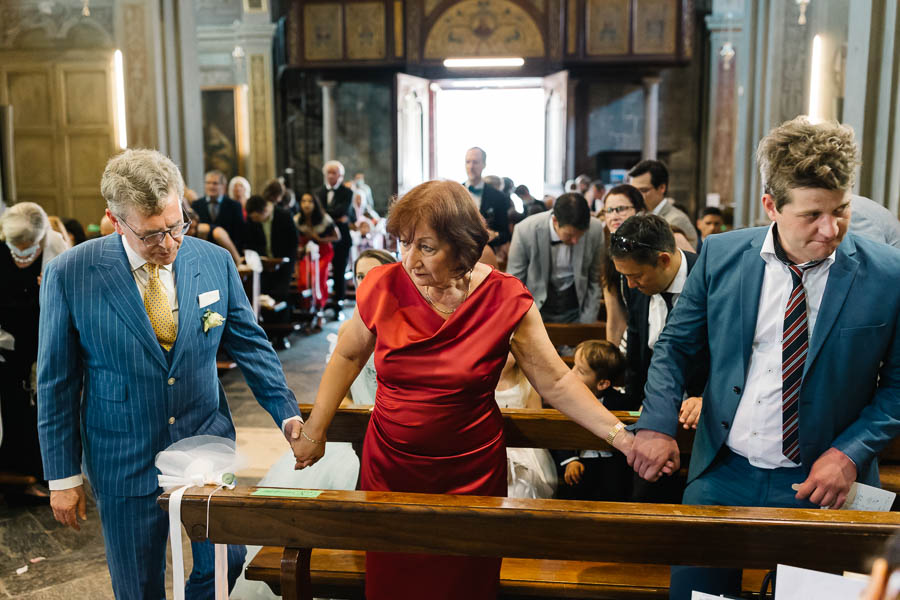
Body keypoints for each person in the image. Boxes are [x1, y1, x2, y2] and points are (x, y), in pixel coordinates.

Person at [291, 180, 640, 600]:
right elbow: (347, 358)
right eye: (404, 244)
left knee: (465, 584)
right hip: (392, 470)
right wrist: (316, 429)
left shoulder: (505, 299)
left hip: (470, 473)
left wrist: (621, 437)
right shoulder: (383, 286)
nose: (410, 261)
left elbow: (558, 380)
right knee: (393, 584)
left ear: (462, 247)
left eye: (426, 247)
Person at [628, 117, 900, 599]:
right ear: (771, 206)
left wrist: (850, 454)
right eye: (812, 214)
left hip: (824, 479)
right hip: (723, 472)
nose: (830, 228)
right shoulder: (721, 255)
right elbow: (675, 346)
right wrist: (655, 424)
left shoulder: (887, 274)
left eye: (841, 210)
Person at [37, 149, 305, 600]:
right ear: (115, 220)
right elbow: (56, 383)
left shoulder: (213, 261)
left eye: (176, 224)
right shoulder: (71, 274)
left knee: (226, 562)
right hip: (123, 450)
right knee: (138, 584)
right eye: (151, 234)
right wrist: (62, 477)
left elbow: (252, 345)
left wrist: (287, 413)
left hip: (204, 435)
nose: (168, 243)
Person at [0, 203, 68, 502]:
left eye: (28, 248)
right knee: (13, 410)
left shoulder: (57, 249)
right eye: (16, 246)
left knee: (42, 409)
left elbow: (68, 305)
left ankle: (45, 474)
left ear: (41, 240)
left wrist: (50, 291)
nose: (22, 253)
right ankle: (14, 476)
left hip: (44, 341)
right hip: (7, 347)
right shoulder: (3, 250)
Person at [610, 214, 706, 409]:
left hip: (701, 404)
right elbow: (636, 347)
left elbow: (728, 355)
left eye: (635, 276)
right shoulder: (635, 282)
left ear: (663, 260)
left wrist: (705, 399)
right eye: (625, 276)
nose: (630, 284)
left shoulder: (708, 279)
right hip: (655, 398)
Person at [553, 340, 632, 501]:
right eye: (573, 366)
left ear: (602, 383)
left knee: (616, 484)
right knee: (577, 485)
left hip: (612, 461)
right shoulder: (567, 400)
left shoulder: (621, 402)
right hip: (581, 460)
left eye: (580, 371)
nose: (571, 373)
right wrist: (570, 460)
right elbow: (560, 431)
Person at [507, 193, 605, 324]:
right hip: (536, 310)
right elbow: (514, 283)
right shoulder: (525, 230)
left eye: (580, 235)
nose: (575, 241)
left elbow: (595, 279)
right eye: (569, 235)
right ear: (555, 221)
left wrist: (587, 322)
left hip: (577, 308)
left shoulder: (595, 229)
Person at [494, 353, 558, 499]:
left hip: (522, 445)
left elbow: (536, 422)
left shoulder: (527, 384)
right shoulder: (482, 380)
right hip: (491, 442)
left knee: (522, 486)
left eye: (509, 350)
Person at [600, 184, 648, 347]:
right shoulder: (610, 250)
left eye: (620, 209)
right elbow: (614, 318)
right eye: (609, 210)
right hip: (633, 335)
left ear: (640, 211)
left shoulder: (665, 239)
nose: (614, 216)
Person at [628, 160, 698, 249]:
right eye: (634, 191)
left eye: (643, 190)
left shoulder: (677, 220)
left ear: (662, 188)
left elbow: (685, 260)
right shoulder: (638, 215)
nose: (637, 196)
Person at [245, 192, 300, 302]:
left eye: (256, 217)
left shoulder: (284, 215)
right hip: (264, 264)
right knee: (263, 294)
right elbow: (251, 242)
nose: (254, 220)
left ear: (264, 210)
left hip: (284, 263)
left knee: (281, 294)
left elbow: (293, 242)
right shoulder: (252, 220)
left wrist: (284, 261)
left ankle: (282, 319)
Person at [315, 160, 354, 310]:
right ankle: (321, 303)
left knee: (339, 271)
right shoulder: (318, 192)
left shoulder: (347, 192)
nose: (331, 176)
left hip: (342, 239)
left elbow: (342, 211)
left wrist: (324, 213)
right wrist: (335, 216)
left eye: (334, 173)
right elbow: (317, 214)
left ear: (341, 176)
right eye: (328, 173)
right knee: (321, 270)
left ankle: (339, 305)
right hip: (322, 238)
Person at [295, 192, 340, 313]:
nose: (306, 204)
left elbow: (337, 236)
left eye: (310, 201)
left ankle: (320, 307)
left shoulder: (324, 218)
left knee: (318, 276)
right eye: (304, 201)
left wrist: (320, 239)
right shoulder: (297, 219)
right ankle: (308, 309)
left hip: (323, 252)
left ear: (315, 204)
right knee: (304, 279)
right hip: (306, 253)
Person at [464, 147, 511, 249]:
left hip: (486, 253)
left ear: (484, 165)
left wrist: (494, 235)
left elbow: (505, 234)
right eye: (468, 162)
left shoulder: (498, 197)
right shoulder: (454, 193)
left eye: (475, 162)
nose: (471, 166)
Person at [192, 169, 245, 251]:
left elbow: (240, 234)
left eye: (215, 183)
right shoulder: (196, 205)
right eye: (208, 183)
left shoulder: (234, 206)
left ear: (223, 186)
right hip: (203, 252)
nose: (211, 186)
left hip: (227, 252)